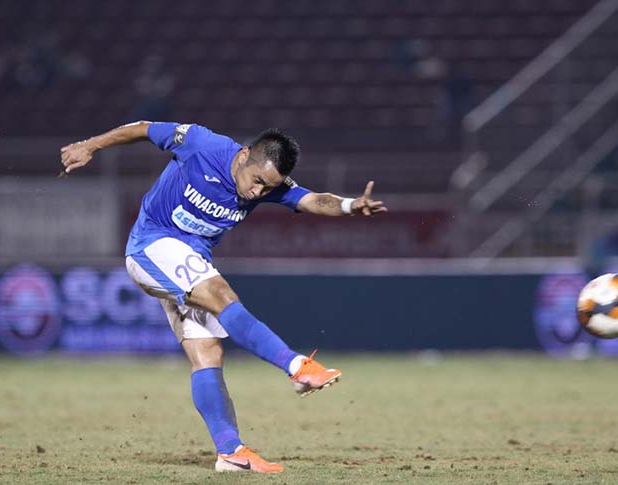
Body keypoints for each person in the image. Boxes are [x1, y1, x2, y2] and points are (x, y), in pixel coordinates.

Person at [60, 121, 387, 473]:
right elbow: (143, 128)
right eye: (257, 181)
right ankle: (296, 367)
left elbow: (312, 200)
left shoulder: (268, 185)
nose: (258, 192)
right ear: (244, 156)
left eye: (268, 187)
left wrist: (351, 206)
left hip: (190, 261)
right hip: (151, 245)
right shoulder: (200, 144)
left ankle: (230, 452)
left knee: (208, 353)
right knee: (220, 294)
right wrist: (90, 145)